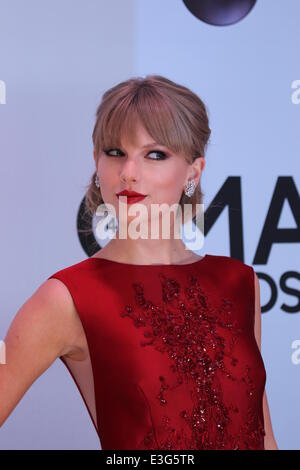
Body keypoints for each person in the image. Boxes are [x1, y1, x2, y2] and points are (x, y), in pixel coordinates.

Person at [0, 75, 278, 450]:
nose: (129, 171)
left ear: (193, 173)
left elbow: (264, 436)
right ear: (96, 163)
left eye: (155, 154)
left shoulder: (238, 282)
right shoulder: (66, 297)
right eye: (114, 152)